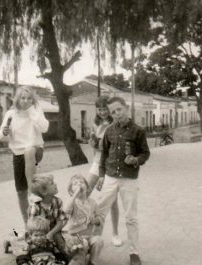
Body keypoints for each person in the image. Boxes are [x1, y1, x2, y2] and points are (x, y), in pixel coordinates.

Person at [97, 96, 150, 265]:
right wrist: (101, 175)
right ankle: (89, 248)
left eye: (119, 109)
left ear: (126, 108)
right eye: (112, 112)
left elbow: (145, 153)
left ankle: (134, 252)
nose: (116, 114)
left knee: (131, 217)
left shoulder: (138, 130)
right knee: (99, 213)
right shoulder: (109, 130)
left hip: (129, 179)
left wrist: (135, 160)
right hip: (110, 177)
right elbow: (104, 154)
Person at [0, 86, 49, 225]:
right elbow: (1, 137)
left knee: (29, 150)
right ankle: (28, 225)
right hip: (17, 153)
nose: (25, 101)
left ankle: (33, 191)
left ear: (33, 99)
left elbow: (45, 128)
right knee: (20, 191)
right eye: (22, 98)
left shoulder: (36, 111)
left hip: (35, 150)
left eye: (29, 98)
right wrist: (5, 133)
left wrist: (32, 111)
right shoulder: (11, 114)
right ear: (17, 99)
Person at [87, 95, 122, 247]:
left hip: (111, 163)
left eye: (104, 109)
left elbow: (113, 146)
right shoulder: (95, 124)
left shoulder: (115, 123)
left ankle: (115, 233)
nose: (102, 112)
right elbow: (95, 146)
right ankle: (83, 228)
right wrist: (92, 142)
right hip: (97, 161)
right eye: (99, 109)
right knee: (85, 191)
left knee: (112, 200)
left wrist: (100, 144)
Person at [64, 174, 104, 265]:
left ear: (87, 187)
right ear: (70, 191)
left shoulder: (92, 202)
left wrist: (95, 220)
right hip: (75, 238)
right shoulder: (72, 202)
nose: (79, 185)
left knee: (98, 240)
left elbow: (99, 217)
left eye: (81, 182)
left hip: (89, 236)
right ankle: (80, 261)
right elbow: (66, 210)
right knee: (84, 244)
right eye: (75, 183)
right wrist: (75, 195)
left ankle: (93, 262)